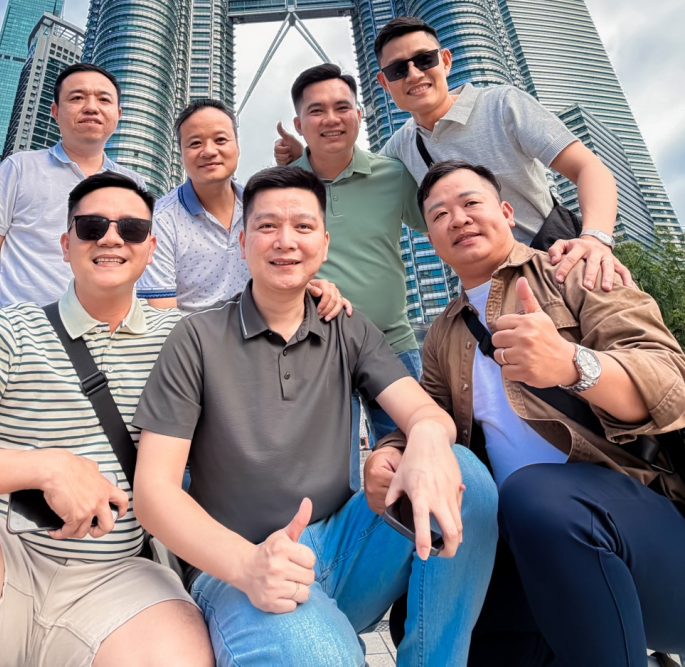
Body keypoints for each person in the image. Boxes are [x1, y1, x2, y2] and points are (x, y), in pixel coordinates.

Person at [132, 166, 499, 667]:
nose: (285, 241)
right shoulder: (195, 338)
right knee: (322, 656)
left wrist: (429, 442)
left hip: (342, 548)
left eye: (303, 226)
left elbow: (422, 412)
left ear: (324, 245)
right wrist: (247, 564)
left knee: (464, 475)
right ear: (242, 243)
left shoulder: (347, 326)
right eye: (267, 226)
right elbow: (154, 493)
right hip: (239, 568)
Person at [366, 158, 685, 666]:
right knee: (426, 609)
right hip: (527, 540)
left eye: (471, 203)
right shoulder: (443, 333)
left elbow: (672, 387)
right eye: (440, 215)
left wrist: (572, 364)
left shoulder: (574, 269)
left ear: (507, 212)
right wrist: (389, 453)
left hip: (641, 531)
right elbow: (427, 417)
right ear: (431, 240)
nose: (458, 219)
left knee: (536, 494)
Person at [0, 171, 213, 667]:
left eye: (131, 229)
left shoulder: (187, 338)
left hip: (119, 580)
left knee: (177, 651)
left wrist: (309, 291)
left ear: (150, 248)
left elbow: (265, 334)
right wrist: (46, 467)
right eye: (92, 226)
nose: (111, 238)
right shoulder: (11, 329)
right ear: (65, 244)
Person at [276, 16, 633, 292]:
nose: (414, 74)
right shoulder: (400, 147)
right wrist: (305, 153)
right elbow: (355, 171)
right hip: (487, 290)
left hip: (557, 263)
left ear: (445, 61)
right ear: (385, 84)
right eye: (398, 69)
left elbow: (589, 168)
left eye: (424, 60)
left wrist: (595, 239)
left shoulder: (502, 105)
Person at [285, 64, 429, 457]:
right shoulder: (283, 186)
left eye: (342, 107)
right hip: (313, 348)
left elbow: (440, 228)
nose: (331, 119)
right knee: (326, 471)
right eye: (316, 111)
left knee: (412, 455)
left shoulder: (394, 176)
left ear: (359, 115)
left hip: (392, 342)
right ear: (299, 124)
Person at [137, 98, 350, 320]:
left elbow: (285, 264)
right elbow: (162, 318)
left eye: (220, 140)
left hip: (264, 330)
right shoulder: (160, 221)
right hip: (194, 338)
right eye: (195, 143)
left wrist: (313, 287)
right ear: (180, 153)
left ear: (237, 147)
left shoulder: (261, 207)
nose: (209, 151)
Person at [0, 62, 144, 315]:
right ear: (55, 111)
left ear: (118, 113)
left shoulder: (133, 184)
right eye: (77, 98)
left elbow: (137, 262)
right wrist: (0, 324)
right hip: (25, 329)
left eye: (104, 99)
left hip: (106, 331)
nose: (91, 107)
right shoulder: (21, 167)